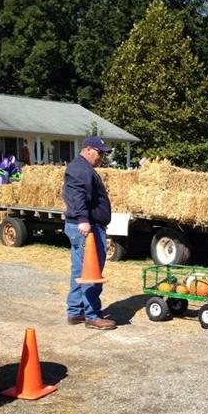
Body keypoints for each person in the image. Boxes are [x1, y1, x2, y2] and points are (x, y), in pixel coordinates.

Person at [62, 136, 116, 330]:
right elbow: (76, 195)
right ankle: (92, 316)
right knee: (91, 272)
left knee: (80, 271)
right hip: (88, 228)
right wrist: (83, 220)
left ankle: (76, 311)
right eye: (99, 152)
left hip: (85, 226)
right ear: (88, 150)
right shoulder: (80, 169)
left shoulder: (82, 167)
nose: (101, 157)